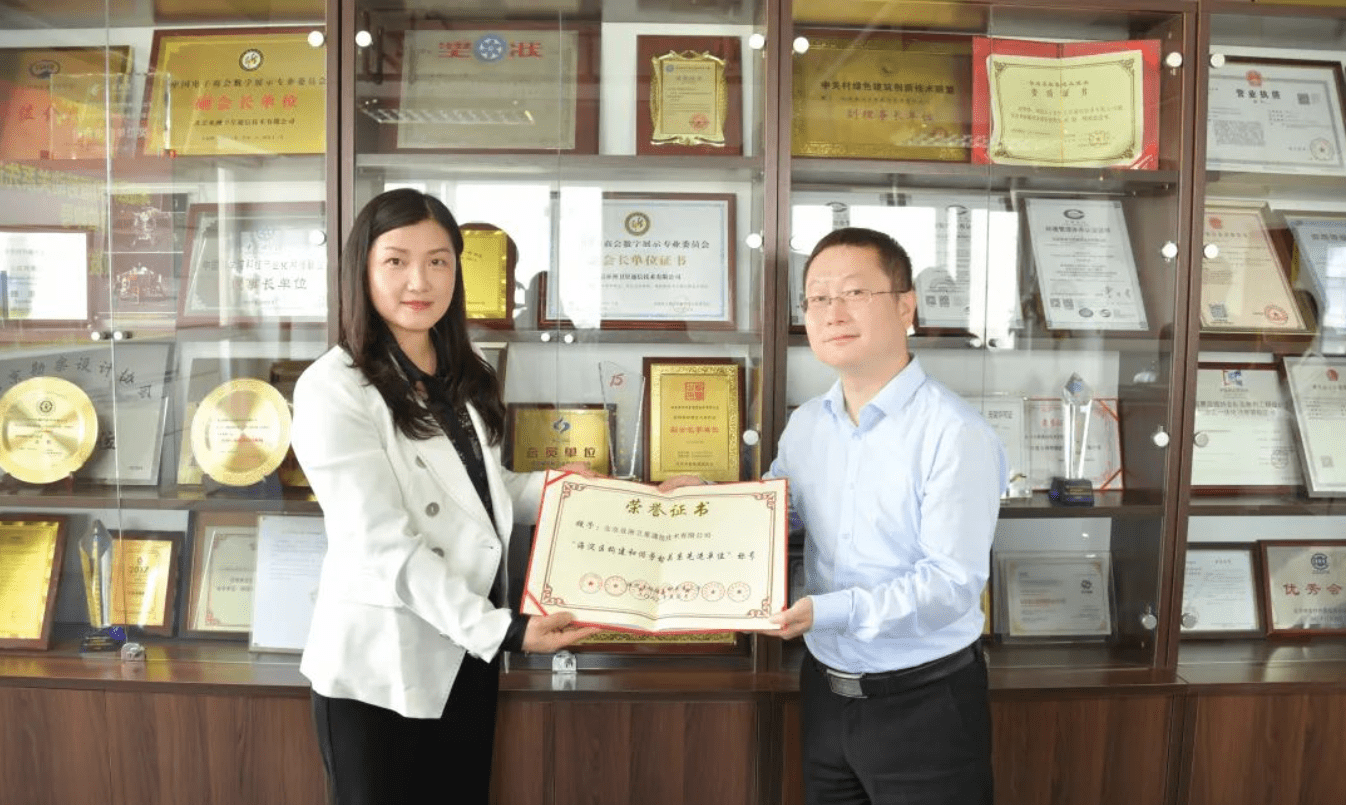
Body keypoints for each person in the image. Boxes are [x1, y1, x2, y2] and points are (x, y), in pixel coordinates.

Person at [664, 227, 1007, 805]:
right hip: (826, 692)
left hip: (925, 705)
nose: (833, 312)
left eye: (854, 293)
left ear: (905, 307)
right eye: (818, 298)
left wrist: (826, 612)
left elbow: (950, 586)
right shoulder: (807, 424)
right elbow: (780, 513)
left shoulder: (956, 433)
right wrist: (708, 502)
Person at [290, 188, 599, 805]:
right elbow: (379, 543)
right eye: (396, 261)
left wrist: (601, 496)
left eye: (438, 261)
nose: (419, 281)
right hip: (383, 671)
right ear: (361, 270)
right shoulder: (333, 388)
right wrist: (503, 631)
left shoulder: (462, 366)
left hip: (465, 658)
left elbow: (487, 494)